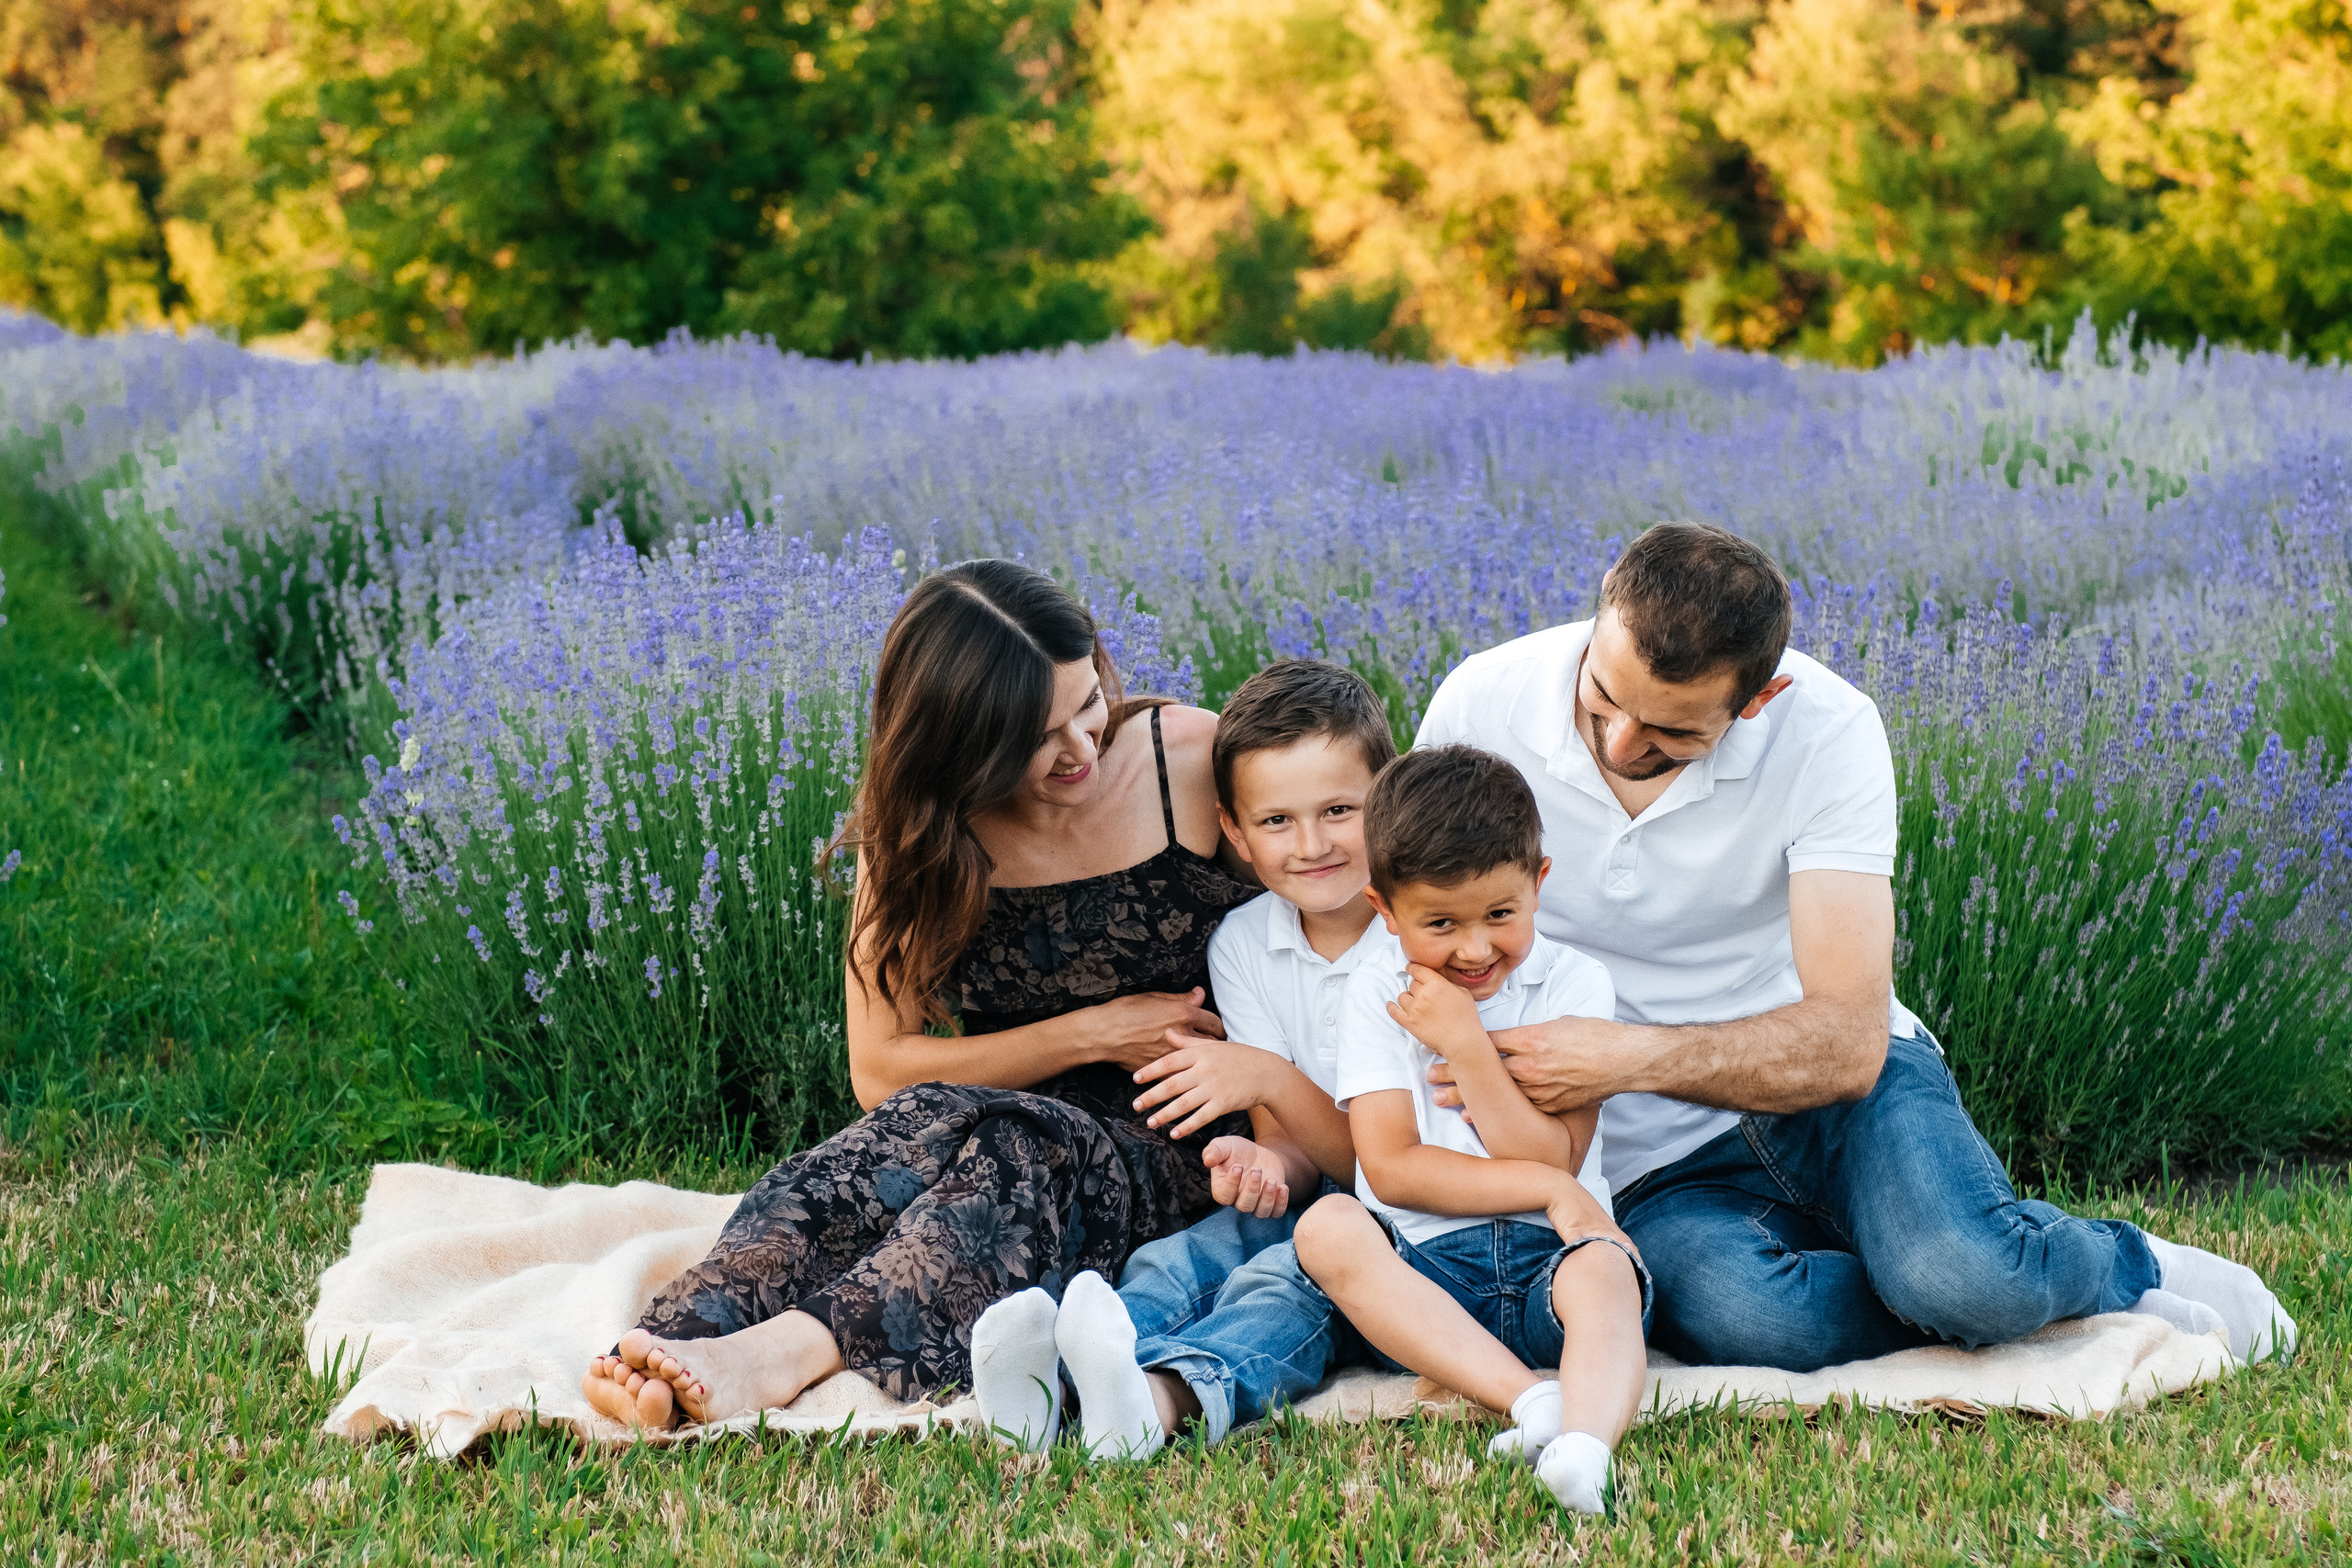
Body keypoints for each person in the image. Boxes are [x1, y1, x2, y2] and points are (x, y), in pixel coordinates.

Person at [1414, 521, 2298, 1373]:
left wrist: (1622, 1057)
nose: (1620, 742)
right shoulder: (1480, 701)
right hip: (1648, 1155)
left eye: (1673, 734)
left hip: (1837, 1100)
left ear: (1759, 699)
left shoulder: (1829, 728)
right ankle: (1959, 1265)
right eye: (1603, 699)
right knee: (1765, 1320)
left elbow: (1847, 1041)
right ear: (1602, 613)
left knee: (1965, 1276)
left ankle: (2114, 1263)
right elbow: (1412, 916)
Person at [581, 558, 1260, 1430]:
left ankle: (782, 1354)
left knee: (1014, 1153)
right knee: (856, 1164)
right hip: (983, 1110)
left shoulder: (1191, 762)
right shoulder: (917, 828)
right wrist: (1093, 1030)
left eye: (1087, 701)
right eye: (1035, 735)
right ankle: (667, 1338)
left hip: (1183, 1134)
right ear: (960, 743)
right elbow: (881, 1069)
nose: (1083, 746)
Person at [969, 659, 1394, 1459]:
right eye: (1277, 822)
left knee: (1283, 1295)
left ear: (1390, 799)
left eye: (1340, 809)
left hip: (1415, 1219)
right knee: (1180, 1259)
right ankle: (1053, 1385)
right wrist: (1264, 1165)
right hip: (1323, 1199)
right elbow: (1297, 1148)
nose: (1311, 845)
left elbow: (1386, 1167)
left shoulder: (1423, 939)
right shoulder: (1245, 942)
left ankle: (1159, 1404)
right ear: (1234, 831)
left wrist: (1266, 1078)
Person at [1289, 744, 1649, 1516]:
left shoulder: (1577, 982)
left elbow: (1558, 1150)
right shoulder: (1373, 991)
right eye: (1440, 922)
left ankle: (1586, 1446)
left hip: (1551, 1267)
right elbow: (1391, 1170)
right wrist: (1554, 1188)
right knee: (1327, 1225)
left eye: (1499, 915)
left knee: (1608, 1269)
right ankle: (1529, 1402)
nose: (1476, 948)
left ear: (1538, 883)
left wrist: (1467, 1046)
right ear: (1384, 910)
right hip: (1426, 1283)